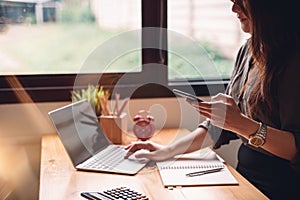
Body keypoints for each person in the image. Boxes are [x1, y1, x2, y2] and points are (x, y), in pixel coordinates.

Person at [125, 0, 300, 199]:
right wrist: (166, 152)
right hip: (245, 180)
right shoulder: (249, 50)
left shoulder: (294, 60)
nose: (234, 9)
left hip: (282, 189)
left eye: (241, 2)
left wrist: (242, 124)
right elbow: (221, 126)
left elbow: (296, 149)